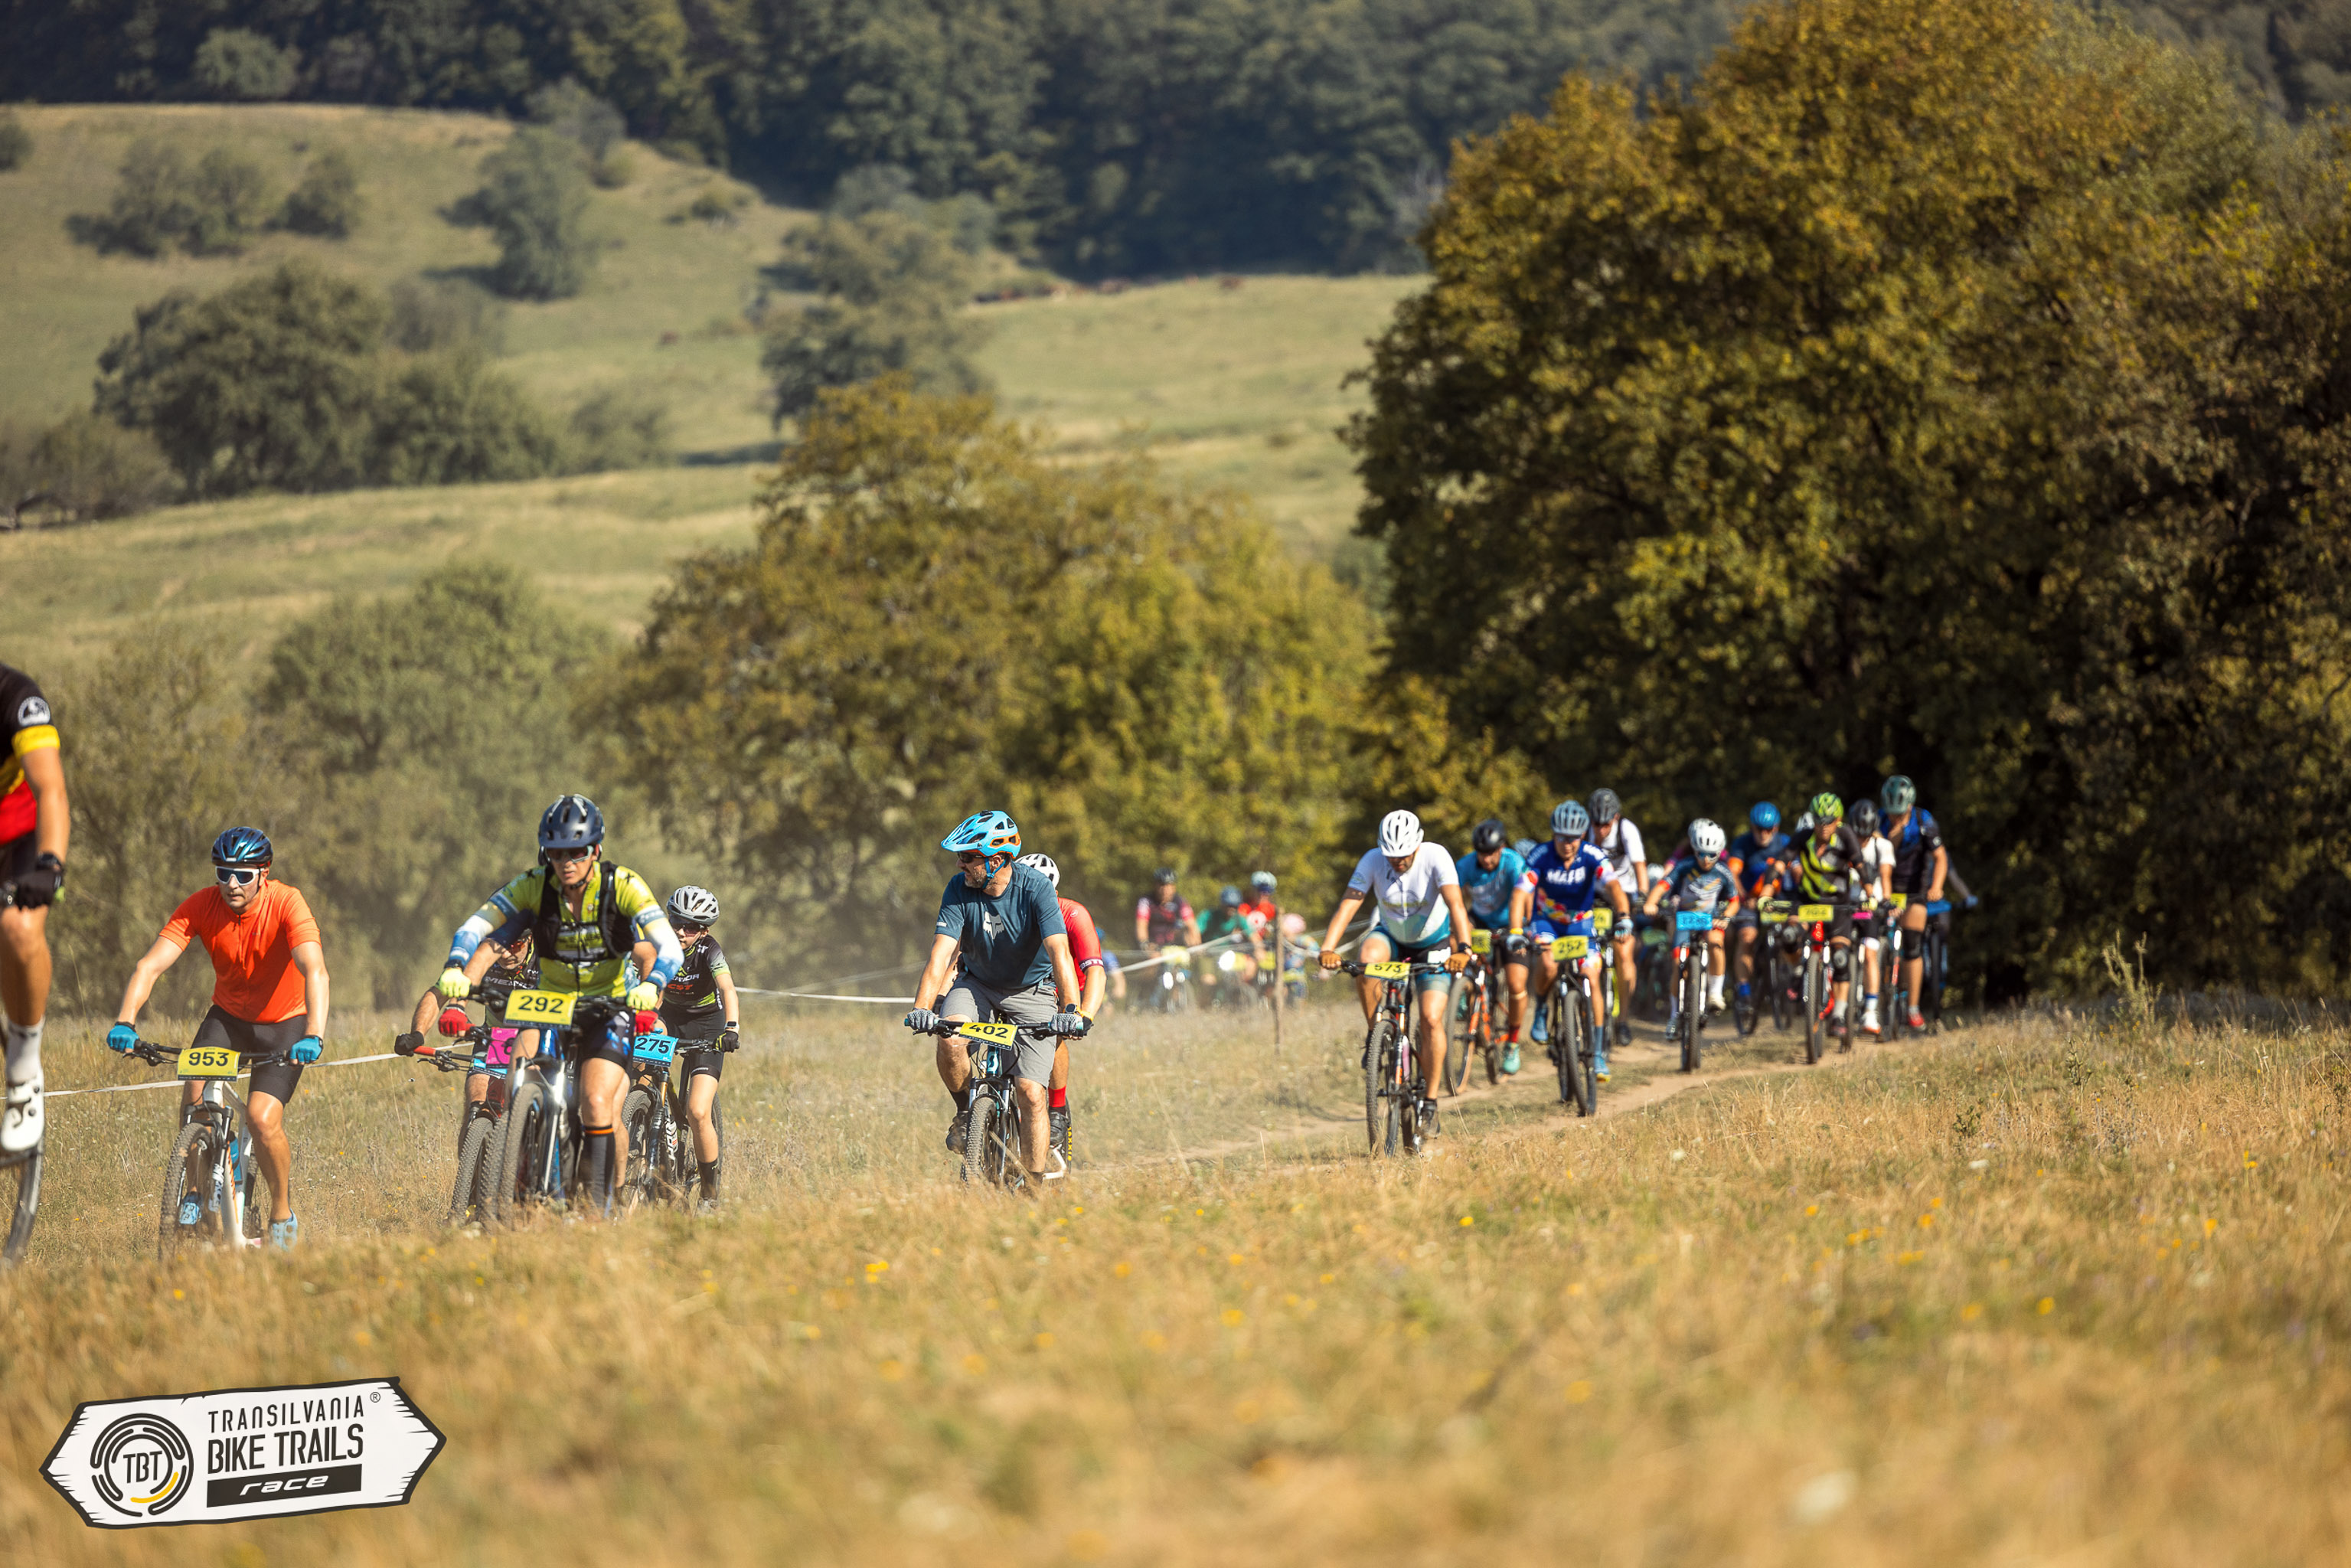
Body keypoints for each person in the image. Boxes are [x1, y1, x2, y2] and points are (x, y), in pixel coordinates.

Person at [435, 795, 682, 1217]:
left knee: (596, 1102)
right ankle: (521, 1173)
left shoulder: (623, 885)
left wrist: (652, 985)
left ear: (595, 850)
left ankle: (599, 1209)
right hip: (549, 1001)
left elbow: (668, 947)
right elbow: (478, 931)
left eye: (576, 852)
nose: (565, 862)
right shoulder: (533, 885)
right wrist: (457, 979)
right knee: (518, 1076)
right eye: (555, 853)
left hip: (608, 1005)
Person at [106, 828, 328, 1249]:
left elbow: (315, 970)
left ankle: (281, 1212)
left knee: (261, 1119)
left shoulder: (287, 902)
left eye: (243, 875)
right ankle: (194, 1190)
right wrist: (125, 1022)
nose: (232, 884)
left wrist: (314, 1034)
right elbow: (150, 966)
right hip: (228, 1018)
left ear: (264, 873)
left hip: (285, 1022)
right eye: (223, 873)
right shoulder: (201, 905)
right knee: (195, 1099)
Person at [906, 813, 1089, 1184]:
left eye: (967, 857)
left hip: (1031, 990)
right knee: (951, 1039)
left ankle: (1033, 1187)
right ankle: (966, 1114)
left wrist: (1071, 1010)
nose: (960, 865)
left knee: (1030, 1093)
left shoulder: (1036, 888)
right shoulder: (958, 888)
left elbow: (1059, 951)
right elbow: (941, 953)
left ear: (997, 859)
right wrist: (922, 1008)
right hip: (977, 984)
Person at [1316, 809, 1472, 1132]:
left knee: (1430, 1019)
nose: (1397, 861)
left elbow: (1456, 905)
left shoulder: (1436, 856)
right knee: (1366, 959)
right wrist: (1328, 948)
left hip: (1433, 943)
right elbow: (1349, 904)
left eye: (1404, 855)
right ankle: (1377, 1036)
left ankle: (1430, 1103)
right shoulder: (1372, 860)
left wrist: (1464, 949)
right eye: (1391, 855)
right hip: (1392, 938)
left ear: (1418, 844)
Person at [1510, 800, 1634, 1081]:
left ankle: (1598, 1051)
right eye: (1562, 837)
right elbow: (1520, 894)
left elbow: (1614, 886)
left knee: (1591, 976)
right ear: (1553, 834)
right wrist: (1516, 931)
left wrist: (1624, 916)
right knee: (1548, 962)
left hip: (1581, 924)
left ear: (1582, 836)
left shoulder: (1592, 854)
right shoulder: (1540, 856)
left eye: (1574, 838)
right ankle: (1542, 1008)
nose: (1567, 844)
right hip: (1547, 922)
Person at [0, 662, 67, 1157]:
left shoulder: (16, 694)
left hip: (19, 840)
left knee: (20, 930)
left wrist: (50, 865)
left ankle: (24, 1068)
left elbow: (51, 788)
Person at [1015, 852, 1107, 1165]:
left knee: (1053, 1032)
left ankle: (1056, 1108)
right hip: (1027, 987)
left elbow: (1096, 971)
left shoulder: (1073, 914)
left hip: (1067, 988)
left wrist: (1084, 1015)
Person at [397, 931, 538, 1132]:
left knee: (524, 1100)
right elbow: (439, 993)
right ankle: (473, 1148)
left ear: (529, 939)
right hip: (497, 1037)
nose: (506, 954)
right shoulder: (482, 957)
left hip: (541, 1037)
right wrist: (417, 1034)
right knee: (476, 1102)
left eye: (515, 946)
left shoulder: (546, 956)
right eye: (501, 946)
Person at [1757, 794, 1866, 1039]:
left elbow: (1860, 866)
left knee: (1840, 958)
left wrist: (1871, 894)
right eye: (1818, 821)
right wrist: (1766, 894)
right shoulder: (1803, 837)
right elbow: (1780, 864)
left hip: (1839, 905)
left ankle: (1839, 1015)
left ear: (1838, 820)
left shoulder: (1846, 836)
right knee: (1788, 936)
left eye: (1828, 821)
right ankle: (1798, 971)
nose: (1823, 826)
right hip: (1807, 901)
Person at [658, 886, 740, 1207]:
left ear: (703, 931)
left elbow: (728, 989)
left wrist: (732, 1028)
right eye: (676, 922)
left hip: (708, 1023)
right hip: (669, 1016)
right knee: (640, 1066)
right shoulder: (658, 943)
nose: (681, 931)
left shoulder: (709, 950)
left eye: (690, 927)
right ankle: (647, 1115)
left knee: (697, 1111)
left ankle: (709, 1195)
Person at [1641, 819, 1743, 1031]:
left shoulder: (1723, 872)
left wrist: (1726, 917)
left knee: (1716, 942)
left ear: (1719, 853)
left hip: (1711, 918)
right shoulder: (1683, 866)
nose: (1706, 860)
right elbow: (1662, 885)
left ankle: (1715, 992)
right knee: (1677, 963)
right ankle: (1674, 1014)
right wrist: (1651, 902)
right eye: (1701, 854)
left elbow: (1734, 901)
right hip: (1684, 918)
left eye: (1712, 855)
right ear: (1694, 850)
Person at [1455, 817, 1532, 1073]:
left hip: (1512, 925)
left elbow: (1526, 896)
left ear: (1502, 848)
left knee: (1516, 984)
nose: (1486, 858)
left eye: (1491, 853)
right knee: (1456, 935)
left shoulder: (1514, 863)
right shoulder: (1465, 865)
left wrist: (1526, 927)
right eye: (1481, 853)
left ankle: (1512, 1044)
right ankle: (1464, 988)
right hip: (1481, 924)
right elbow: (1454, 899)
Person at [1879, 775, 1951, 1031]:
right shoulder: (1879, 821)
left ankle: (1912, 1008)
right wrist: (1892, 836)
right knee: (1875, 939)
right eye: (1890, 813)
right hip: (1884, 887)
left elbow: (1940, 858)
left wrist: (1936, 887)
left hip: (1914, 890)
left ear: (1909, 806)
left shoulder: (1923, 821)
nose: (1894, 818)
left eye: (1898, 813)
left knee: (1912, 944)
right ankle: (1876, 1002)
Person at [1587, 788, 1646, 1045]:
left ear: (1616, 818)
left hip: (1625, 894)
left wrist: (1644, 895)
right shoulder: (1584, 832)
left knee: (1623, 952)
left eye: (1606, 824)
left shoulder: (1627, 831)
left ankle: (1623, 1020)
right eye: (1596, 824)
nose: (1601, 830)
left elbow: (1640, 866)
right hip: (1594, 895)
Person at [1726, 802, 1784, 1019]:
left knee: (1790, 935)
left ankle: (1791, 984)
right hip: (1749, 902)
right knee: (1747, 937)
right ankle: (1744, 993)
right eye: (1759, 829)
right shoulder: (1742, 843)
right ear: (1752, 827)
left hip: (1776, 903)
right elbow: (1733, 873)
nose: (1763, 834)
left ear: (1776, 828)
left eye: (1768, 829)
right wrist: (1743, 897)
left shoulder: (1785, 843)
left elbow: (1796, 872)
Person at [1849, 798, 1895, 1036]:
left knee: (1869, 953)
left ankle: (1870, 1011)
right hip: (1847, 905)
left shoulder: (1882, 846)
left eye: (1865, 835)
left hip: (1871, 907)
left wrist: (1885, 901)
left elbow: (1885, 877)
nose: (1861, 839)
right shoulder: (1842, 844)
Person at [1200, 885, 1264, 1000]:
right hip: (1208, 955)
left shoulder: (1239, 918)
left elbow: (1253, 936)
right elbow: (1195, 931)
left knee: (1241, 974)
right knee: (1208, 982)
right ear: (1222, 904)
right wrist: (1196, 945)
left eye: (1234, 906)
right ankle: (1205, 1004)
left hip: (1227, 955)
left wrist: (1259, 949)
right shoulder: (1209, 915)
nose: (1231, 909)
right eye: (1228, 906)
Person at [1135, 869, 1200, 956]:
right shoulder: (1146, 901)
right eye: (1162, 885)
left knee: (1190, 938)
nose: (1165, 889)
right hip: (1153, 945)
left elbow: (1192, 925)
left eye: (1169, 885)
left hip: (1173, 945)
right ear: (1155, 886)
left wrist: (1197, 946)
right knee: (1153, 955)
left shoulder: (1180, 901)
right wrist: (1145, 945)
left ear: (1174, 887)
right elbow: (1141, 925)